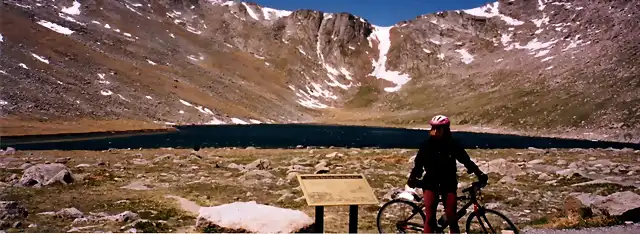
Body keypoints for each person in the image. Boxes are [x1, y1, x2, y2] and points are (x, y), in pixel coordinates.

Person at [407, 115, 488, 234]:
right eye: (433, 128)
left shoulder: (453, 144)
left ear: (446, 129)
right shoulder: (426, 146)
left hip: (449, 183)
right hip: (430, 183)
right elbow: (418, 165)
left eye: (438, 128)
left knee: (452, 218)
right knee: (430, 219)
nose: (434, 131)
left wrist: (479, 173)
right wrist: (413, 178)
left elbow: (466, 160)